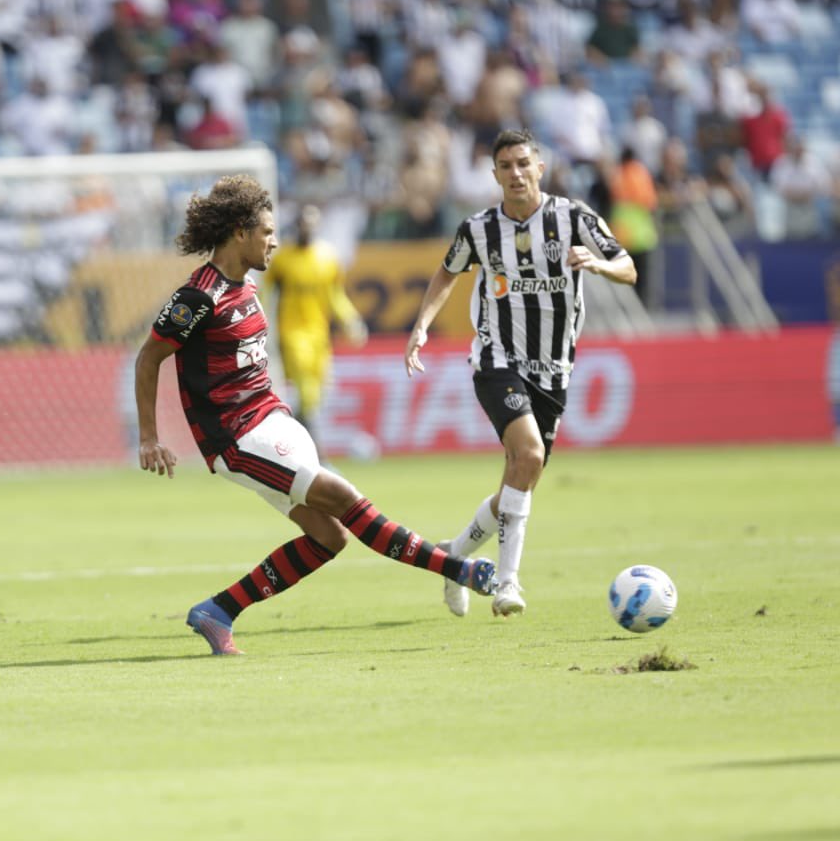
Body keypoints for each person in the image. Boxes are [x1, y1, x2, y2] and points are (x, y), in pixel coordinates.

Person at [134, 175, 497, 656]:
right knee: (342, 495)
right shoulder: (199, 296)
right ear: (240, 232)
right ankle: (456, 567)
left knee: (329, 537)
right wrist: (148, 437)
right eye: (267, 231)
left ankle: (217, 611)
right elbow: (149, 357)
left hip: (273, 420)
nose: (275, 240)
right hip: (237, 437)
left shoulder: (246, 286)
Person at [404, 129, 637, 619]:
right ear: (495, 175)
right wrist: (422, 325)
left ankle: (454, 556)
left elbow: (628, 267)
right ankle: (507, 583)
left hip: (554, 370)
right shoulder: (479, 229)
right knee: (527, 454)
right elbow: (448, 271)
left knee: (520, 476)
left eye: (523, 164)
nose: (515, 173)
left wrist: (596, 264)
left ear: (540, 168)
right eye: (505, 166)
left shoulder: (573, 218)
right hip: (497, 358)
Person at [261, 203, 367, 445]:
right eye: (302, 224)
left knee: (318, 395)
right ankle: (317, 453)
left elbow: (335, 296)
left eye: (311, 224)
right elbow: (266, 294)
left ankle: (294, 436)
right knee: (306, 390)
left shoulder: (327, 258)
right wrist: (261, 326)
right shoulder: (282, 260)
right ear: (296, 226)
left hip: (319, 334)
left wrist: (350, 320)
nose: (306, 229)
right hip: (292, 333)